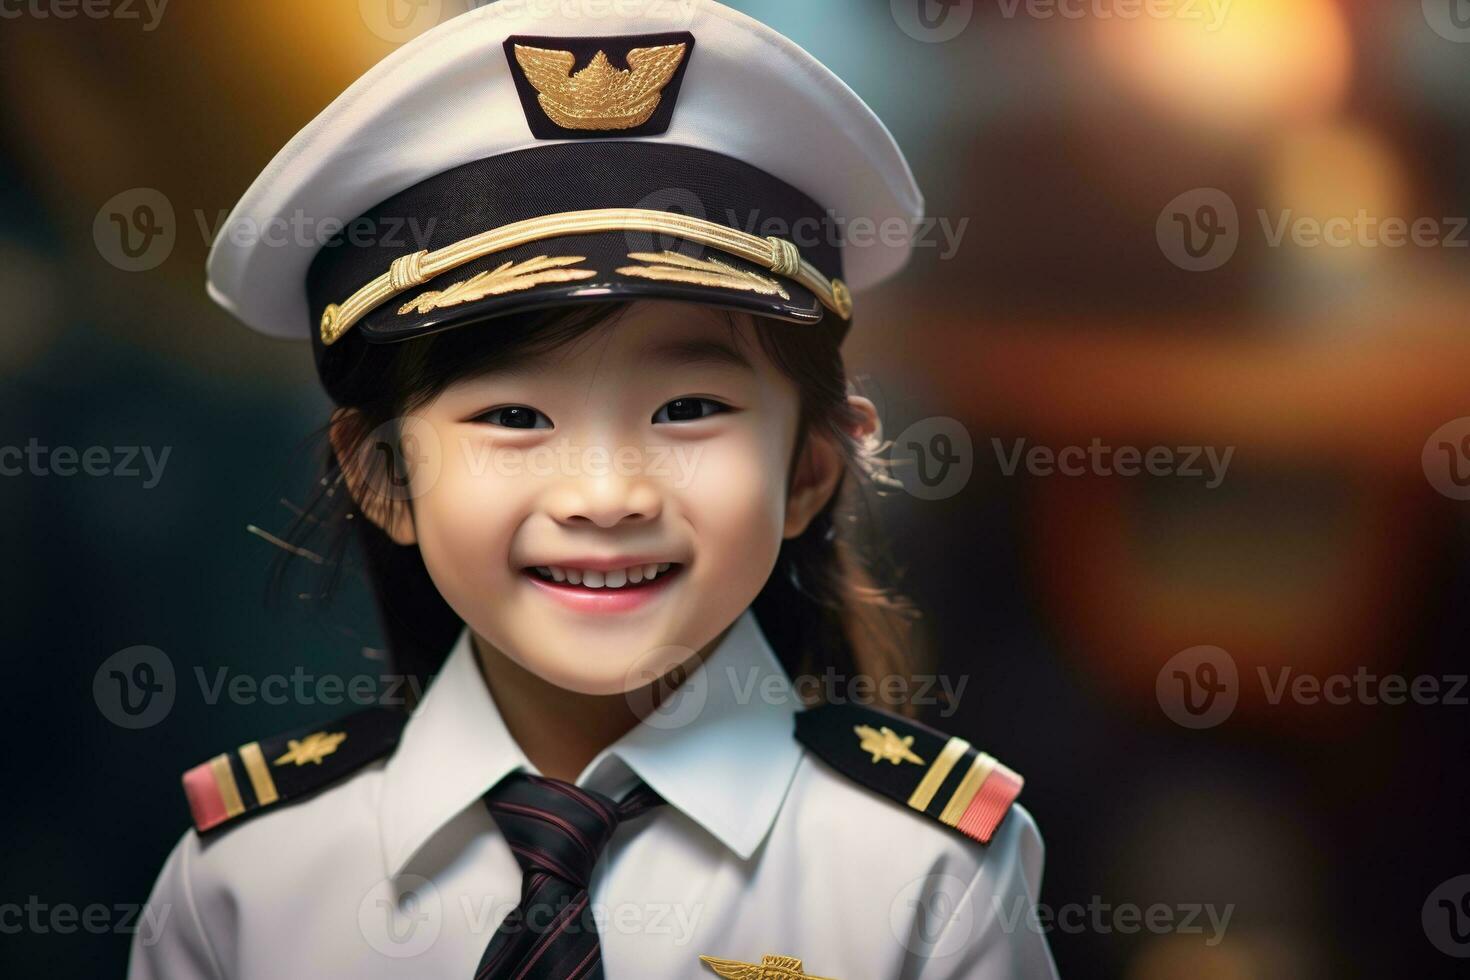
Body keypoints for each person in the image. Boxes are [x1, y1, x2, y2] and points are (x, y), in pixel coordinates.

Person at [130, 2, 1059, 977]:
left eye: (689, 406)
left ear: (808, 469)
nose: (607, 494)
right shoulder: (247, 882)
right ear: (384, 474)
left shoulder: (927, 879)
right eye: (515, 418)